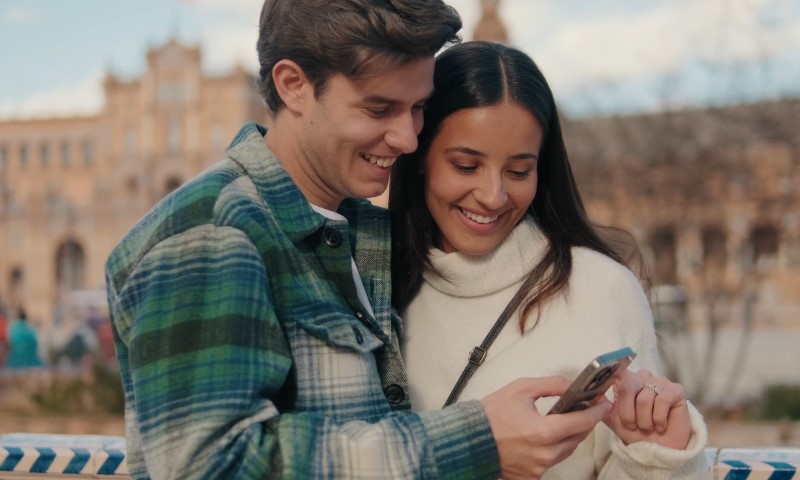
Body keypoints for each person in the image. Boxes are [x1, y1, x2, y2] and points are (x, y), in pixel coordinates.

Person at [106, 3, 613, 479]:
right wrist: (476, 439)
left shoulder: (350, 228)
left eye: (417, 108)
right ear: (294, 85)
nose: (408, 138)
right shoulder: (212, 233)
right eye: (379, 109)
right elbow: (211, 467)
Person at [390, 41, 709, 479]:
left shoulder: (601, 289)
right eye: (466, 166)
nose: (493, 196)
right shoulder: (370, 282)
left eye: (519, 171)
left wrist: (656, 455)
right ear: (419, 155)